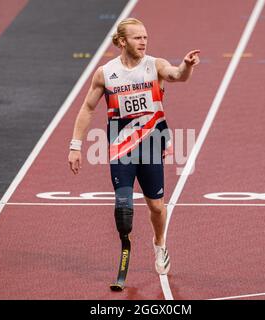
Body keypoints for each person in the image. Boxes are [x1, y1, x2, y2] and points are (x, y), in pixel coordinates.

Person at [68, 18, 200, 276]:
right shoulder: (105, 73)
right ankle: (125, 244)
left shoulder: (155, 65)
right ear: (121, 41)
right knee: (124, 205)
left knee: (156, 207)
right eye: (137, 37)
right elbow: (88, 108)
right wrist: (75, 146)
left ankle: (159, 242)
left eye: (145, 37)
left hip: (151, 145)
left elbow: (177, 76)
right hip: (120, 147)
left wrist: (186, 65)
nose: (143, 42)